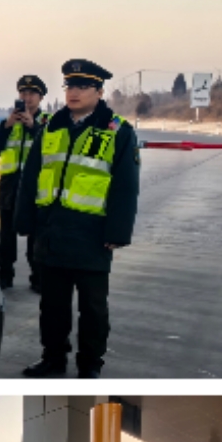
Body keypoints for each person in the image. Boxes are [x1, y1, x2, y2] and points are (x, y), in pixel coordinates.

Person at [15, 59, 141, 379]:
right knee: (52, 306)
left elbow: (126, 186)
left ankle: (90, 366)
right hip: (52, 231)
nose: (73, 92)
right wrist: (25, 219)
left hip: (93, 235)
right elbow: (31, 176)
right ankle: (53, 359)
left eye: (82, 86)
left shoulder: (117, 131)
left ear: (99, 91)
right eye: (69, 86)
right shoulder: (51, 127)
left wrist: (118, 231)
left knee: (93, 309)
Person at [0, 74, 50, 292]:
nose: (27, 97)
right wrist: (7, 125)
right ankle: (5, 275)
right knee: (6, 235)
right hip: (10, 184)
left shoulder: (47, 123)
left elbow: (50, 148)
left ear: (40, 97)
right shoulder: (10, 121)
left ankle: (38, 277)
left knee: (35, 235)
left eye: (32, 93)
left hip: (35, 185)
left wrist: (33, 127)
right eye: (23, 93)